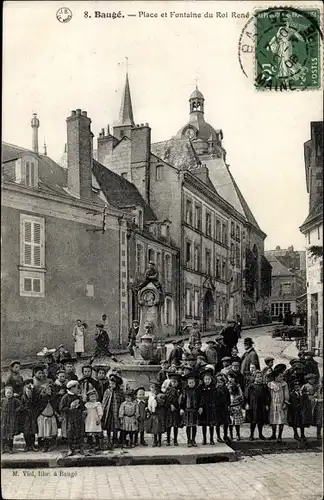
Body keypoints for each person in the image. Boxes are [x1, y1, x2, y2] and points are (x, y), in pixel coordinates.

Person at [59, 380, 86, 456]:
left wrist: (80, 406)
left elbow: (82, 407)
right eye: (77, 387)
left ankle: (81, 448)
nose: (78, 389)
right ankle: (70, 448)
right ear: (72, 388)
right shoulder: (65, 397)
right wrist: (70, 409)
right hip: (70, 418)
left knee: (80, 432)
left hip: (78, 417)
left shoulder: (78, 397)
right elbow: (61, 407)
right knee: (70, 432)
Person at [268, 364, 290, 442]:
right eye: (280, 376)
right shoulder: (270, 384)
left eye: (282, 376)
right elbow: (268, 395)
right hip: (273, 404)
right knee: (273, 419)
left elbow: (286, 394)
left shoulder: (284, 384)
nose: (282, 378)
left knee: (281, 420)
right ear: (275, 377)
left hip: (281, 404)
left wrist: (285, 402)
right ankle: (273, 434)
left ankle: (280, 436)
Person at [102, 374, 124, 449]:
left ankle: (115, 439)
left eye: (113, 384)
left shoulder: (120, 392)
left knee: (115, 426)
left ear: (116, 384)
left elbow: (122, 402)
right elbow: (104, 402)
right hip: (108, 411)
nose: (111, 385)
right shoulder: (107, 391)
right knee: (108, 425)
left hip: (116, 411)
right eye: (110, 383)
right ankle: (108, 439)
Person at [246, 370, 270, 440]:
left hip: (261, 405)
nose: (259, 378)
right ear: (254, 378)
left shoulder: (264, 387)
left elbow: (267, 396)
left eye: (261, 377)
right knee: (253, 420)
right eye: (258, 377)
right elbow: (247, 396)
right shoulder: (251, 387)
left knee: (261, 421)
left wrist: (266, 404)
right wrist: (247, 404)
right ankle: (251, 435)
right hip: (253, 406)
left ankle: (260, 434)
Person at [35, 384, 58, 452]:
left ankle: (49, 445)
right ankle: (43, 446)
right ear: (44, 390)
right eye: (48, 390)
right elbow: (39, 408)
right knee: (44, 433)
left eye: (50, 390)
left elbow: (54, 407)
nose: (49, 391)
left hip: (51, 417)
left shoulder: (52, 398)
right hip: (43, 417)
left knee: (50, 432)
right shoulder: (42, 398)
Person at [180, 371, 200, 447]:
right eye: (190, 383)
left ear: (195, 383)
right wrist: (182, 408)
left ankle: (193, 439)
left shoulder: (197, 390)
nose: (191, 384)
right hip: (187, 410)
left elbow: (200, 399)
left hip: (194, 410)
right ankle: (188, 439)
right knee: (188, 426)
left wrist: (200, 407)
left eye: (192, 382)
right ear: (187, 383)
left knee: (194, 425)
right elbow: (182, 400)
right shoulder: (185, 391)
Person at [198, 368, 217, 445]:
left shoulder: (213, 388)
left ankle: (211, 439)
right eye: (205, 379)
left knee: (211, 424)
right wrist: (200, 407)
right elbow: (200, 398)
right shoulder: (201, 388)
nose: (207, 381)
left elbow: (215, 397)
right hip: (204, 408)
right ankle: (204, 439)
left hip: (211, 407)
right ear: (203, 380)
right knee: (204, 424)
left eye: (208, 379)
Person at [1, 386, 21, 453]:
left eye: (10, 393)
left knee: (10, 434)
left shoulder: (15, 400)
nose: (8, 394)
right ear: (5, 393)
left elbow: (20, 406)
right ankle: (2, 448)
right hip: (4, 419)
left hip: (11, 419)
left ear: (12, 393)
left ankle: (10, 448)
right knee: (3, 434)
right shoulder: (3, 400)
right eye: (7, 393)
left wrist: (16, 411)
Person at [146, 382, 166, 447]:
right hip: (153, 414)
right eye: (151, 388)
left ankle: (159, 441)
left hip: (159, 414)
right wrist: (147, 408)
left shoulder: (161, 395)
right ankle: (155, 441)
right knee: (154, 428)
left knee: (159, 429)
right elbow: (148, 403)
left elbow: (162, 403)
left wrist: (156, 399)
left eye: (154, 388)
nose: (152, 390)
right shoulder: (150, 396)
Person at [165, 372, 182, 446]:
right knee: (169, 426)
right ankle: (168, 440)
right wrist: (170, 405)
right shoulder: (168, 390)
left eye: (175, 382)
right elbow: (166, 399)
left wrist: (180, 407)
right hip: (169, 410)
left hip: (176, 410)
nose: (173, 383)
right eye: (172, 382)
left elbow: (182, 400)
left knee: (175, 426)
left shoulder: (180, 391)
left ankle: (175, 439)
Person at [20, 382, 38, 452]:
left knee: (32, 431)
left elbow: (36, 406)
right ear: (25, 391)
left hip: (32, 416)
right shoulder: (23, 397)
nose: (29, 392)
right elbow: (21, 406)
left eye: (30, 391)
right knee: (26, 432)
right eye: (27, 391)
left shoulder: (34, 397)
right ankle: (27, 445)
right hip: (25, 416)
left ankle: (32, 445)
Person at [214, 376, 230, 442]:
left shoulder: (225, 389)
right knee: (218, 423)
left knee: (226, 423)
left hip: (224, 408)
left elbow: (228, 398)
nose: (220, 384)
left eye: (221, 382)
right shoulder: (215, 390)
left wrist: (228, 405)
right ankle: (218, 436)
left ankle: (225, 435)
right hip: (217, 408)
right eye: (219, 382)